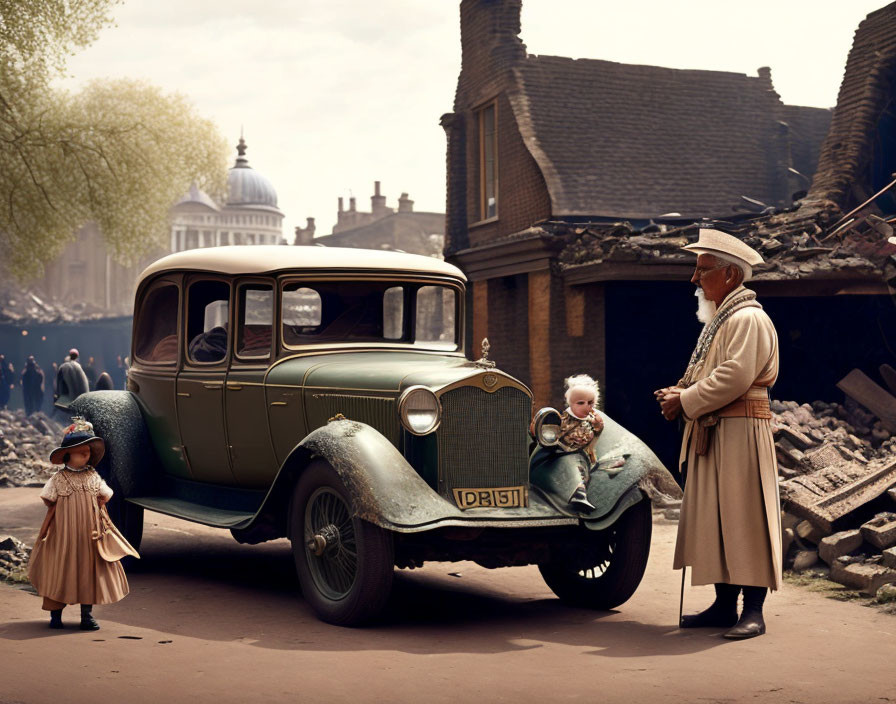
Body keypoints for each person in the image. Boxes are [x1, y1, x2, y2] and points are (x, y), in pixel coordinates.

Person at [655, 228, 781, 640]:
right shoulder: (726, 317)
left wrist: (685, 400)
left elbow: (735, 376)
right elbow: (713, 374)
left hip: (741, 430)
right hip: (717, 428)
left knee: (745, 516)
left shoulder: (747, 318)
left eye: (702, 269)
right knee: (718, 519)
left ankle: (753, 612)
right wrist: (682, 391)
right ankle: (725, 606)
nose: (694, 279)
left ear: (730, 276)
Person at [27, 417, 138, 630]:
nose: (86, 455)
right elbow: (48, 498)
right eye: (81, 452)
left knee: (89, 571)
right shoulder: (58, 479)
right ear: (68, 455)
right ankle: (55, 616)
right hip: (63, 535)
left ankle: (86, 616)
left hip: (89, 535)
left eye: (88, 451)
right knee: (59, 569)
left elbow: (106, 495)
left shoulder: (93, 476)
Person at [556, 374, 604, 511]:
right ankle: (579, 493)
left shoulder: (593, 418)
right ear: (571, 403)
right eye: (580, 403)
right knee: (575, 469)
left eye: (590, 403)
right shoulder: (565, 419)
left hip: (585, 453)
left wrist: (597, 424)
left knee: (586, 468)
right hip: (565, 452)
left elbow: (598, 431)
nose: (586, 407)